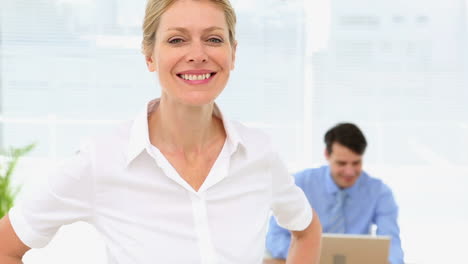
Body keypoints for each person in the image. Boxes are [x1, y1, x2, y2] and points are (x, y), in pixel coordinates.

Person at [0, 0, 322, 263]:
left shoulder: (259, 154)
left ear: (233, 53)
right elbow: (5, 248)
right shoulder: (103, 158)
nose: (197, 54)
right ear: (149, 56)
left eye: (213, 39)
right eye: (177, 39)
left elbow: (307, 231)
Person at [266, 123, 404, 264]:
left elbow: (392, 243)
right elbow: (275, 237)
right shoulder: (300, 184)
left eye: (356, 163)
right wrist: (311, 255)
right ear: (327, 154)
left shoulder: (379, 192)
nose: (349, 172)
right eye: (342, 163)